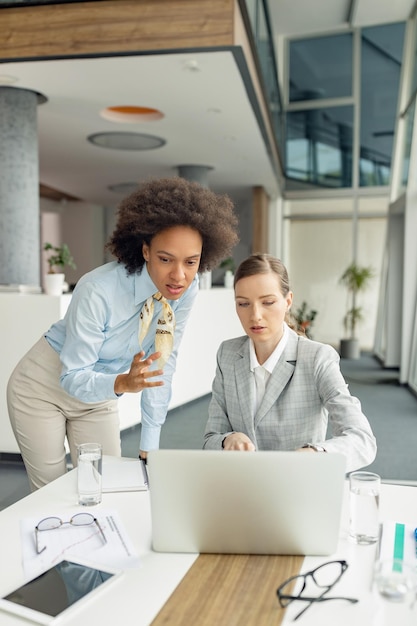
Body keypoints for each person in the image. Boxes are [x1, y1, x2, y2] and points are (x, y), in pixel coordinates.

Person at [7, 177, 239, 490]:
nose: (179, 275)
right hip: (44, 388)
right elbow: (72, 375)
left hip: (101, 393)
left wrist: (150, 444)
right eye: (165, 259)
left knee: (104, 487)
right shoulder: (97, 290)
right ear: (145, 251)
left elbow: (163, 362)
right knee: (53, 492)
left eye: (191, 262)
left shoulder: (186, 289)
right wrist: (121, 382)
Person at [203, 253, 377, 473]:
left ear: (288, 301)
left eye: (268, 302)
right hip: (242, 488)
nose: (255, 315)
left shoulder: (317, 358)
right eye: (243, 303)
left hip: (297, 488)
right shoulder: (227, 354)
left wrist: (314, 454)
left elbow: (362, 440)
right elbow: (210, 438)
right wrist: (227, 439)